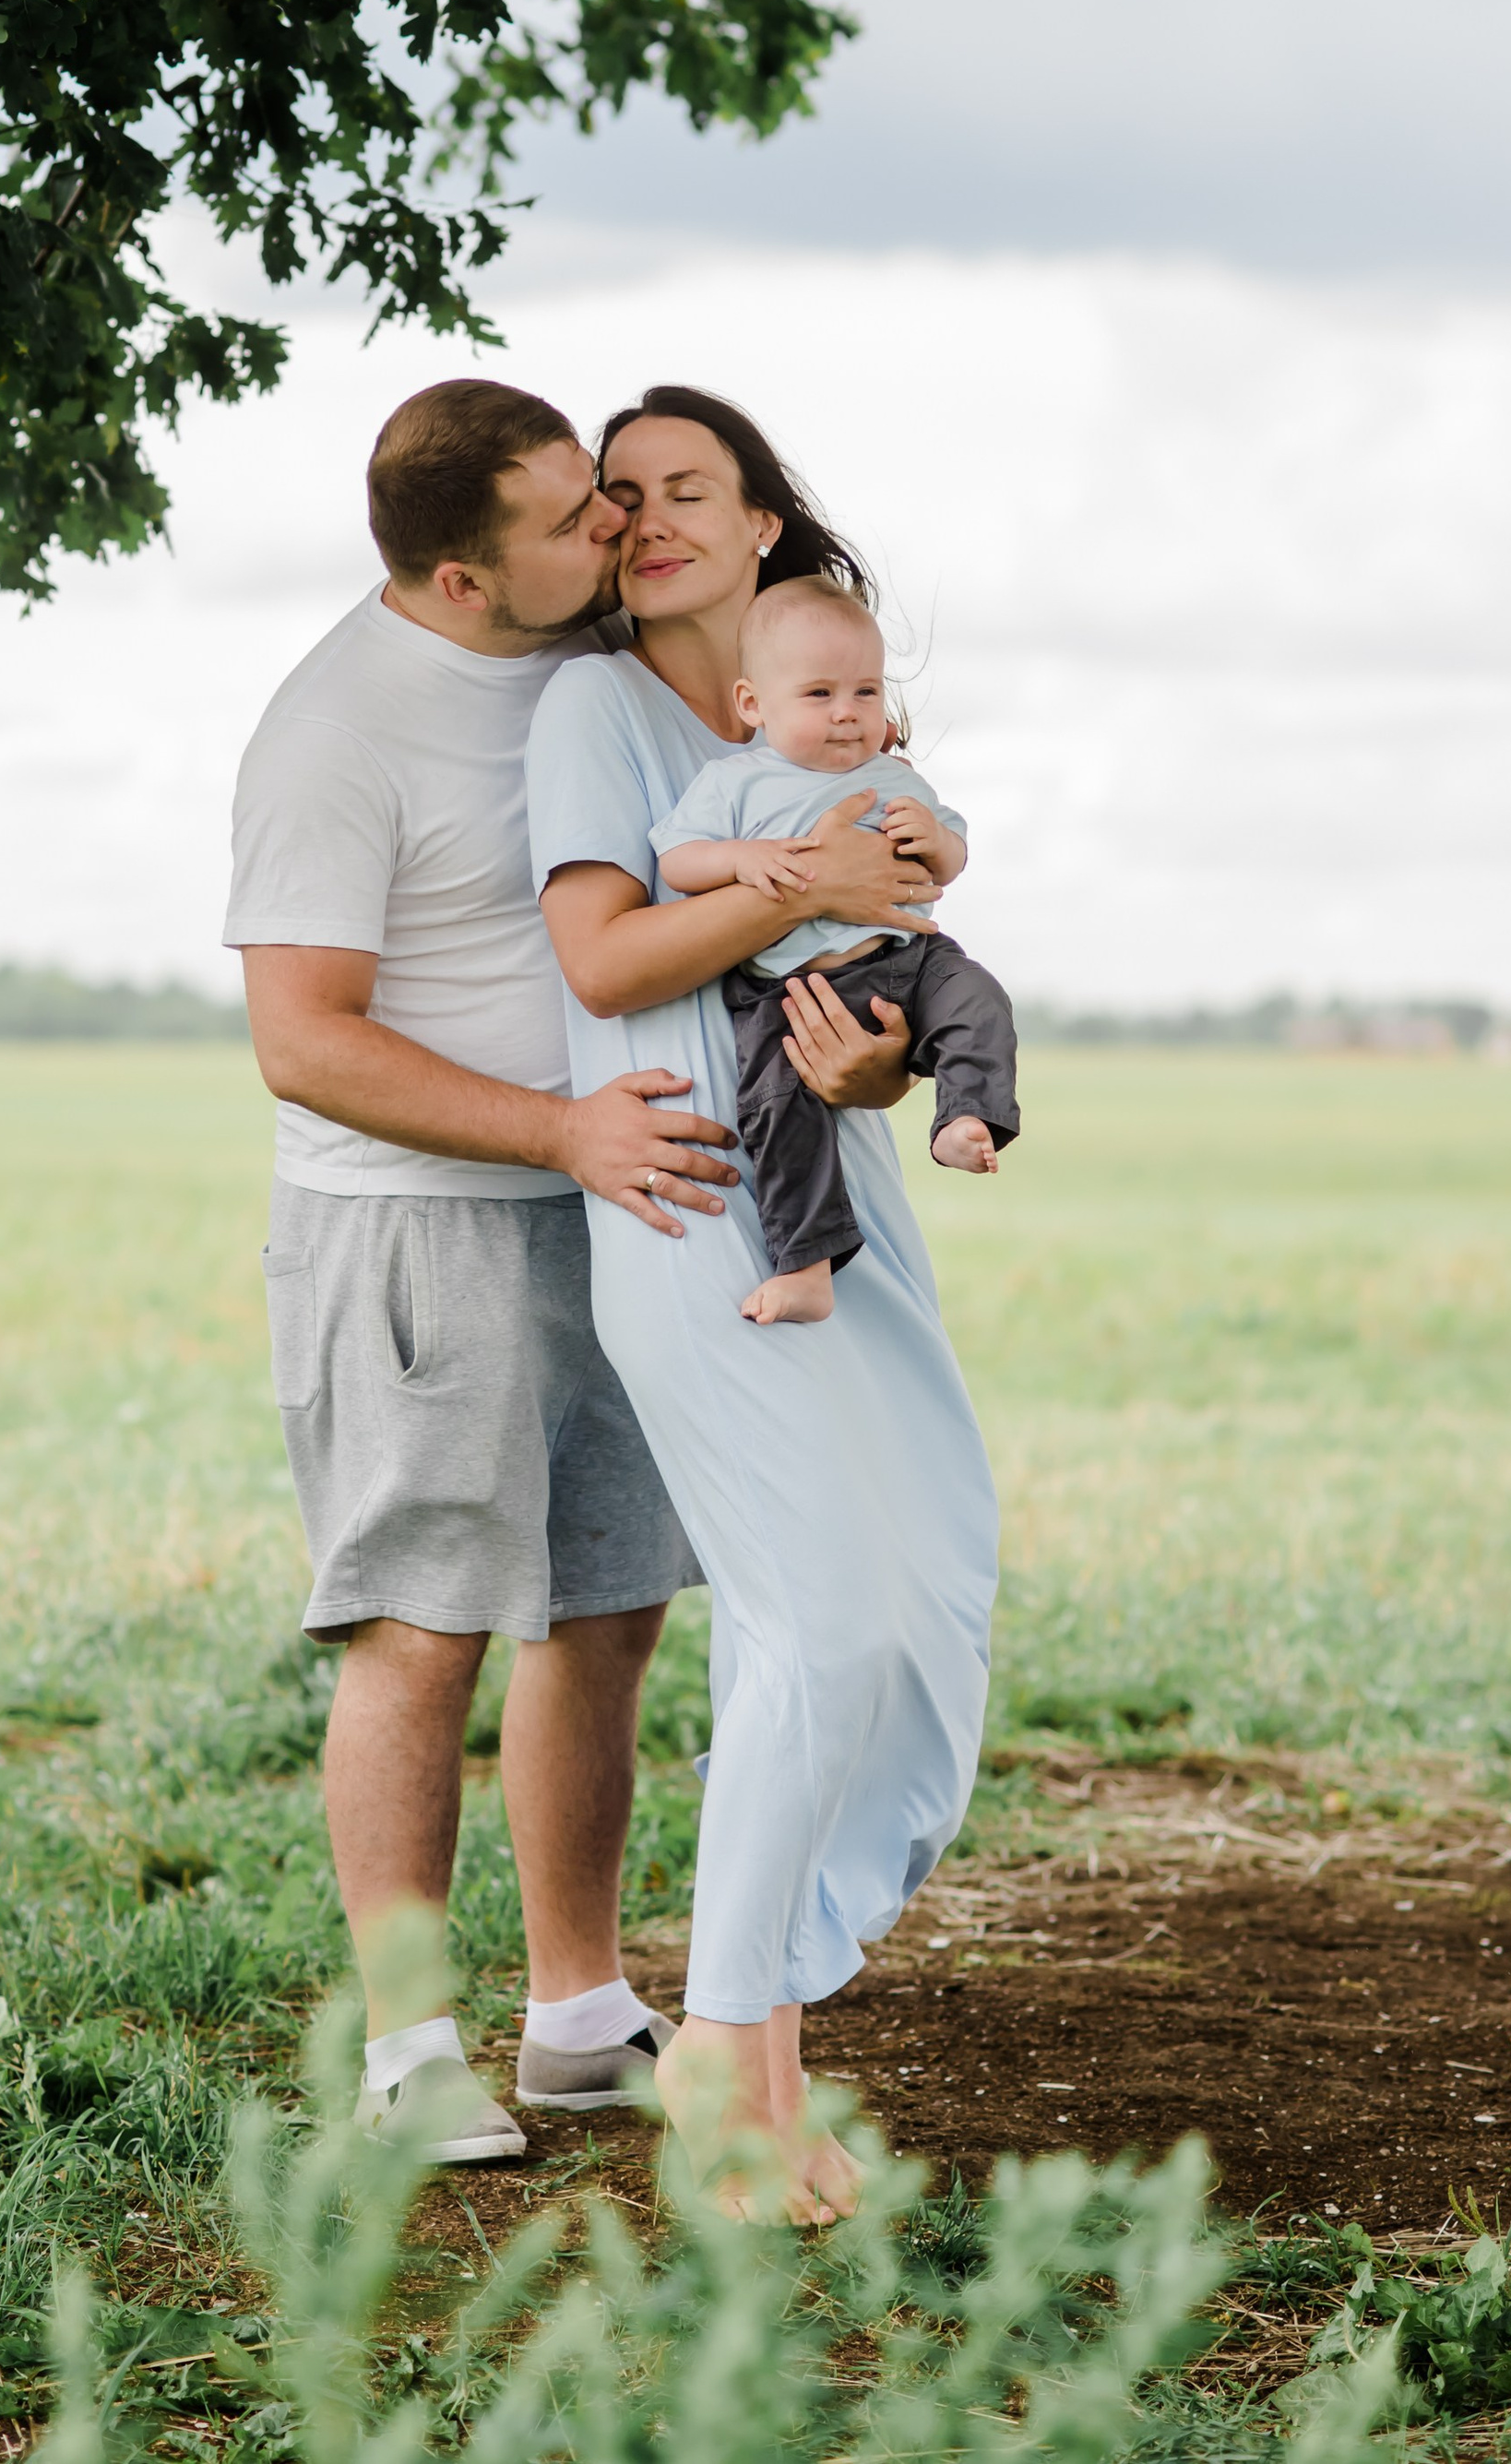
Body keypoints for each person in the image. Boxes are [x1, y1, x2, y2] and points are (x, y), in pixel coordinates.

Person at [227, 377, 746, 2162]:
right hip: (415, 1223)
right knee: (421, 1632)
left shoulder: (581, 657)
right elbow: (304, 1042)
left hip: (606, 1199)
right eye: (565, 518)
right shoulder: (335, 733)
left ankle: (581, 2017)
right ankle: (405, 2053)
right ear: (463, 577)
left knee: (606, 1611)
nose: (606, 531)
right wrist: (557, 1134)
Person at [525, 387, 1001, 2221]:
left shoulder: (828, 718)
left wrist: (879, 1058)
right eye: (612, 495)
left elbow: (880, 952)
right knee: (816, 1627)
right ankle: (725, 2065)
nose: (644, 518)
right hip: (690, 1208)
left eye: (683, 489)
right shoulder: (595, 711)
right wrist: (799, 879)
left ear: (759, 522)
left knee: (917, 1596)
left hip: (835, 1195)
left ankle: (764, 2050)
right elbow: (601, 952)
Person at [652, 571, 1020, 1324]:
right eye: (819, 695)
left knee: (980, 997)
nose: (848, 715)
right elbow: (676, 860)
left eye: (865, 692)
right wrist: (741, 860)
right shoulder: (736, 783)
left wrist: (936, 842)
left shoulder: (891, 776)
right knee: (780, 1110)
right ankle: (806, 1264)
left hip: (908, 959)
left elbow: (950, 860)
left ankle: (965, 1116)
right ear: (753, 703)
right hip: (789, 989)